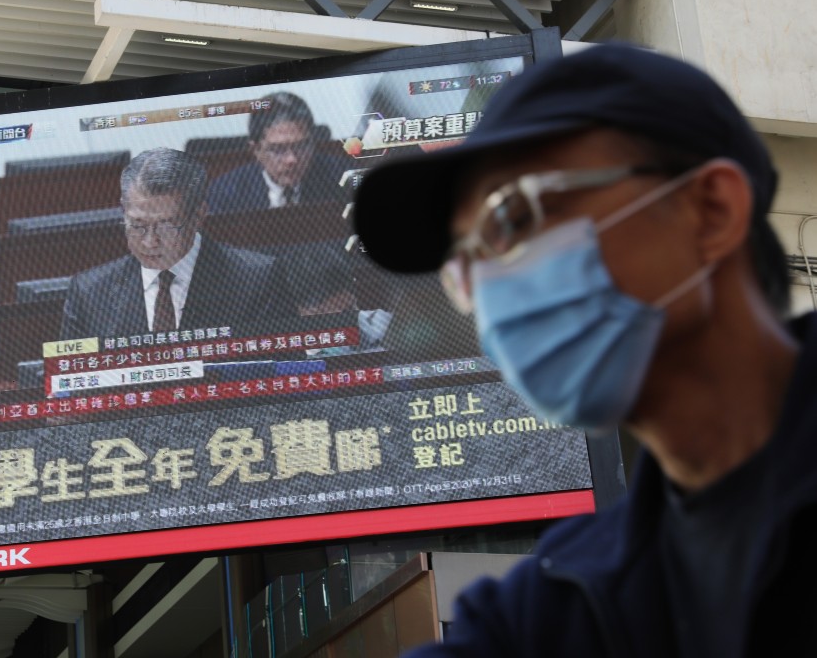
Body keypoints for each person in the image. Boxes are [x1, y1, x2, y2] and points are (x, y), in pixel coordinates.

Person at [353, 43, 817, 656]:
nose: (491, 287)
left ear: (710, 212)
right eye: (463, 266)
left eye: (514, 218)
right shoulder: (555, 605)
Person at [61, 147, 294, 340]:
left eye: (166, 226)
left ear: (199, 215)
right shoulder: (89, 292)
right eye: (137, 224)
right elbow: (69, 387)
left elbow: (286, 380)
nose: (150, 241)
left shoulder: (258, 279)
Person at [207, 91, 351, 213]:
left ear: (312, 142)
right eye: (278, 149)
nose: (292, 159)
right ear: (256, 150)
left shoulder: (343, 178)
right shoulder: (224, 195)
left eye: (301, 146)